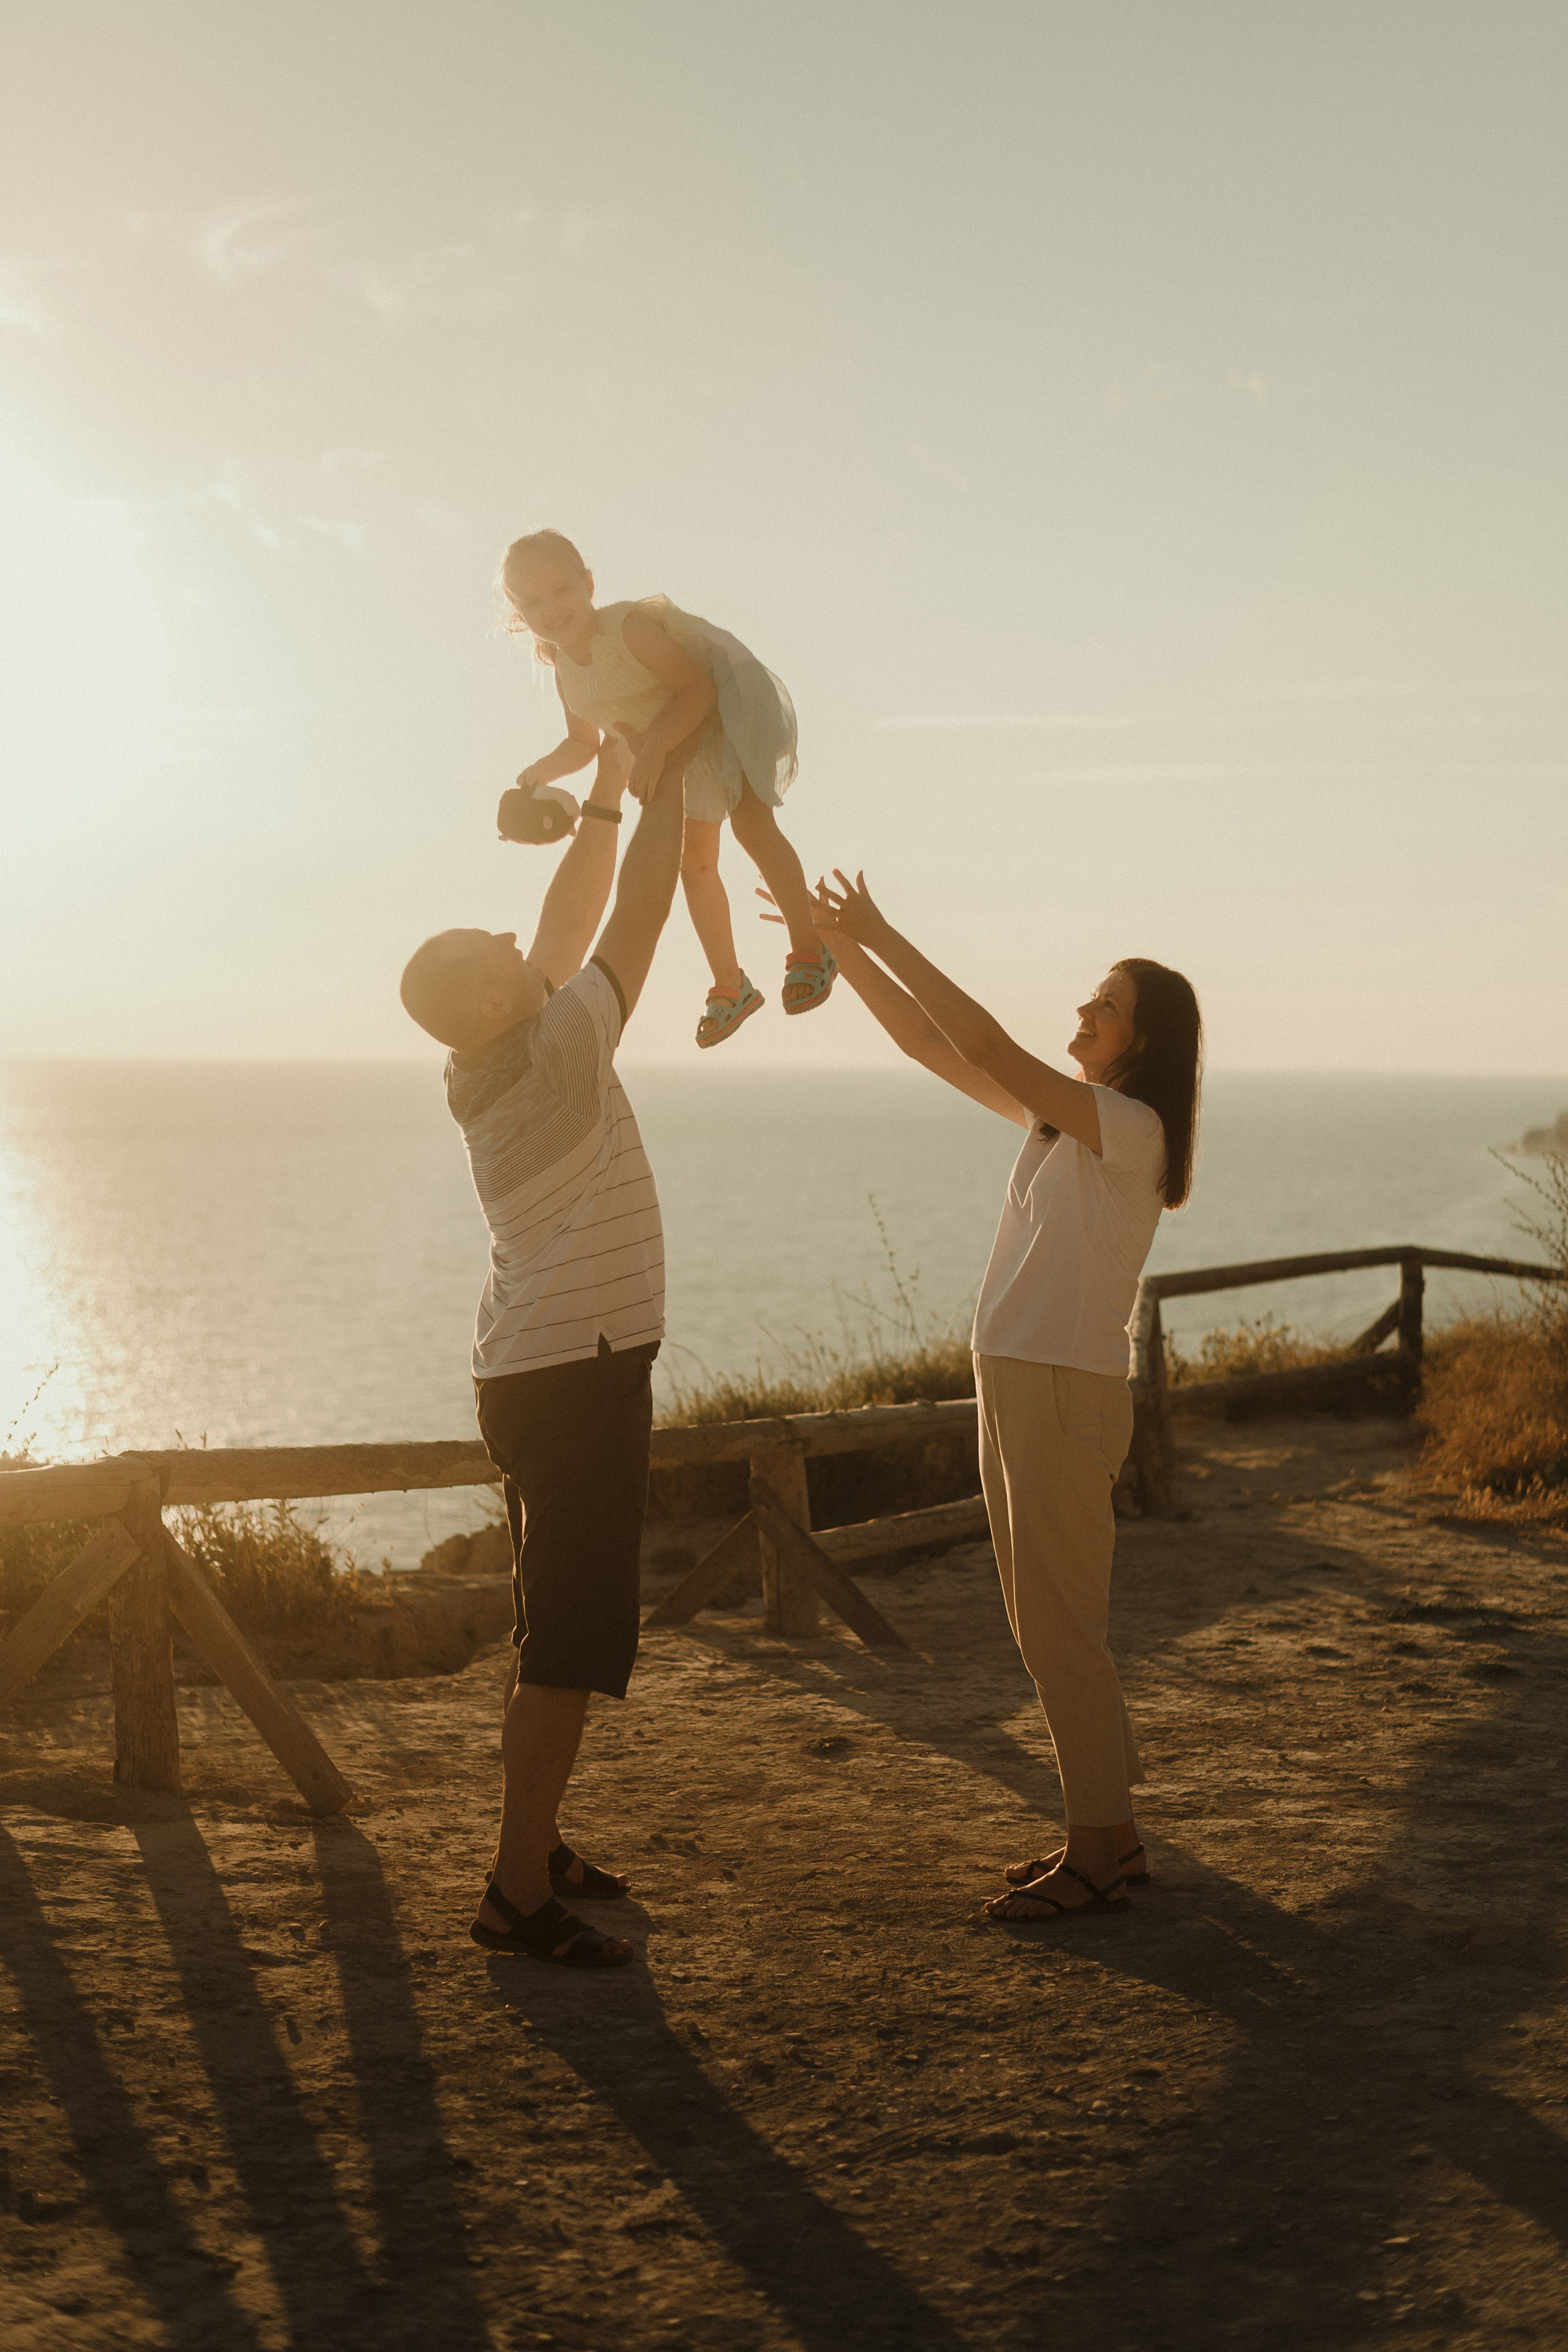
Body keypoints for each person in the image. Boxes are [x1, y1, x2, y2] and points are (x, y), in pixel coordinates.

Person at [777, 872, 1202, 1921]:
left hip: (1061, 1388)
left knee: (1061, 1630)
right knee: (1042, 1622)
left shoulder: (1130, 1126)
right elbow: (933, 1045)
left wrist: (883, 930)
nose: (1084, 1012)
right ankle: (1112, 1838)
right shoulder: (1064, 1125)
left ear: (1144, 1040)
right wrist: (843, 950)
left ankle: (1096, 1855)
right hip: (1021, 1379)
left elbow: (986, 1043)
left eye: (1106, 1006)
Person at [398, 719, 710, 1969]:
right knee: (568, 1645)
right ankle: (515, 1894)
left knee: (554, 1631)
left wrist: (612, 784)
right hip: (573, 1380)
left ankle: (541, 1838)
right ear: (491, 996)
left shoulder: (491, 1055)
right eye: (497, 948)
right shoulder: (559, 1052)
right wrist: (672, 778)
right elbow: (634, 912)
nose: (515, 937)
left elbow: (570, 913)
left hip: (540, 1371)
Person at [497, 527, 835, 1048]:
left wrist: (654, 748)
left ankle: (808, 947)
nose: (552, 609)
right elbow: (583, 743)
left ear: (588, 583)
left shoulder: (628, 628)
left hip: (728, 702)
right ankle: (732, 986)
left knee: (751, 824)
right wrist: (541, 772)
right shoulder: (566, 672)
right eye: (534, 601)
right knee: (693, 862)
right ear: (519, 615)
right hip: (678, 740)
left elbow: (698, 686)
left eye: (562, 590)